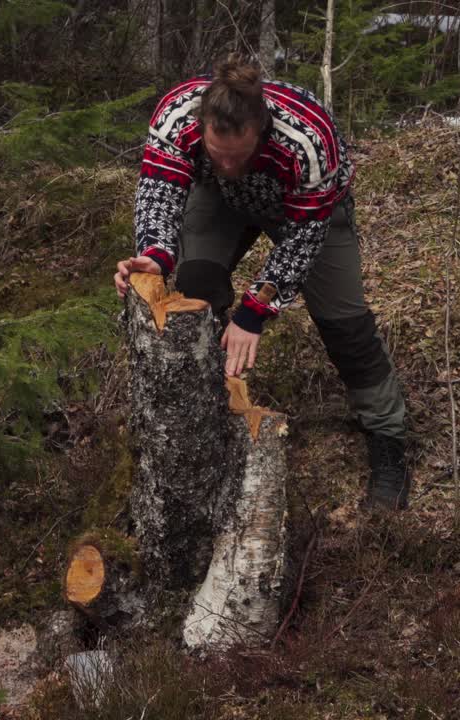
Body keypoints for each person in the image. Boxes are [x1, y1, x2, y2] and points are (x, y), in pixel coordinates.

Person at [113, 54, 411, 511]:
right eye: (217, 154)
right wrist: (154, 256)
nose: (228, 163)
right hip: (221, 201)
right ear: (203, 126)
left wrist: (255, 312)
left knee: (345, 325)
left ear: (262, 130)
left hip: (307, 211)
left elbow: (303, 239)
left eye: (238, 155)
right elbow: (160, 193)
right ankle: (204, 413)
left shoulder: (308, 138)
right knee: (195, 289)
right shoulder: (176, 117)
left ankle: (389, 440)